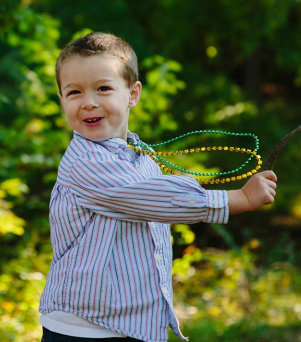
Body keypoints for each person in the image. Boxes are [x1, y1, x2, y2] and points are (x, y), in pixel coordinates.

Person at [38, 32, 277, 342]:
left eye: (103, 88)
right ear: (62, 99)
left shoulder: (140, 156)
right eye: (74, 93)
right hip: (85, 329)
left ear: (133, 94)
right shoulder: (85, 163)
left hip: (132, 323)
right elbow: (159, 199)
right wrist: (239, 198)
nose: (89, 102)